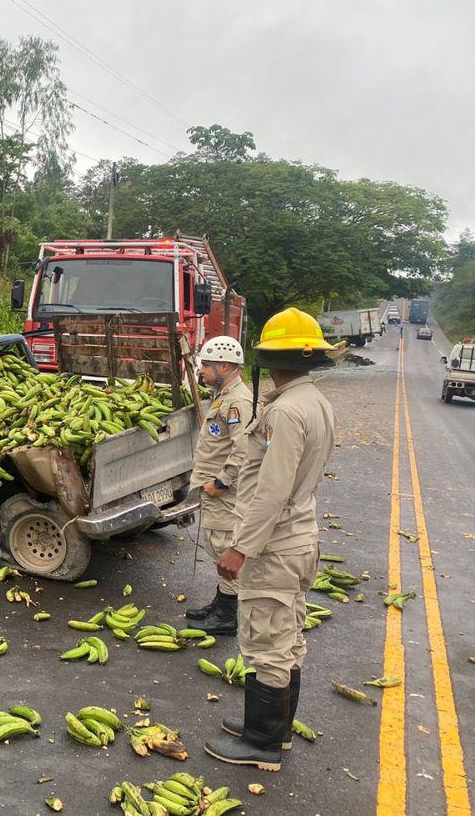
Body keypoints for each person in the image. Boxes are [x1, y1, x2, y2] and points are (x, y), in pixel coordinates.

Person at [204, 308, 336, 772]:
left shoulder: (285, 410)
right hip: (299, 537)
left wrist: (240, 548)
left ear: (268, 358)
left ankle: (262, 743)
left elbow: (271, 490)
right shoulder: (315, 402)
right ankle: (272, 732)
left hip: (276, 544)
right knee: (287, 634)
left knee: (267, 642)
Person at [185, 335, 253, 636]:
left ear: (224, 365)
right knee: (216, 546)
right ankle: (221, 601)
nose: (202, 370)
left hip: (224, 492)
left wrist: (222, 482)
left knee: (224, 547)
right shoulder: (224, 394)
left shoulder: (237, 401)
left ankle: (227, 615)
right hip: (215, 488)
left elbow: (244, 449)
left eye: (207, 365)